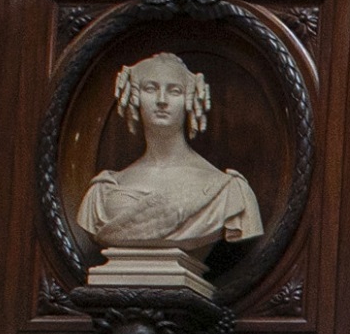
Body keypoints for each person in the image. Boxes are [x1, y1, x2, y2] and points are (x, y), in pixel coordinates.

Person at [75, 51, 264, 253]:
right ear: (134, 97)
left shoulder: (227, 191)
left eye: (174, 91)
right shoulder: (102, 193)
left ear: (190, 100)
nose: (162, 100)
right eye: (151, 88)